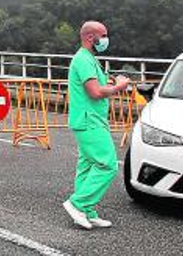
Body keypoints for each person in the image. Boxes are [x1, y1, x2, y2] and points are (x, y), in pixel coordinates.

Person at [62, 20, 130, 230]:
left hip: (91, 119)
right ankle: (77, 203)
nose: (106, 40)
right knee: (107, 164)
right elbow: (95, 92)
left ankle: (87, 211)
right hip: (89, 120)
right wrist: (118, 86)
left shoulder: (89, 59)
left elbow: (99, 86)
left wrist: (110, 83)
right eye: (104, 35)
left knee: (88, 165)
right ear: (91, 38)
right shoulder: (83, 60)